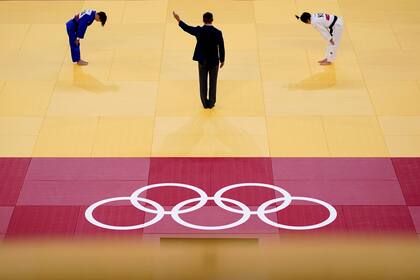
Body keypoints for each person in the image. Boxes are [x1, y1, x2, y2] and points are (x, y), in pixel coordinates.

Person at [173, 11, 225, 109]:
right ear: (212, 20)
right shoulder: (218, 32)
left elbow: (187, 28)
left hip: (202, 61)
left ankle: (205, 103)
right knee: (213, 83)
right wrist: (222, 59)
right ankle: (211, 103)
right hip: (214, 61)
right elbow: (221, 47)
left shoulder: (199, 31)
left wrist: (179, 20)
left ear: (203, 20)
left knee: (203, 81)